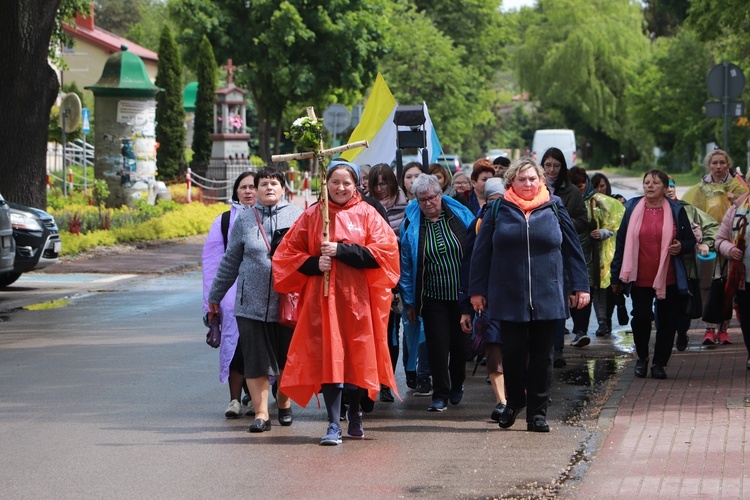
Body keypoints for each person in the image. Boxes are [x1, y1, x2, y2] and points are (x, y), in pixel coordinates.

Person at [273, 161, 400, 446]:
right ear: (326, 183)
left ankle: (354, 413)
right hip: (323, 300)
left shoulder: (368, 213)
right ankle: (333, 423)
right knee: (330, 357)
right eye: (335, 182)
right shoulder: (313, 214)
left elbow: (385, 253)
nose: (341, 188)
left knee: (356, 356)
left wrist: (342, 250)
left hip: (357, 300)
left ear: (356, 185)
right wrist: (314, 263)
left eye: (347, 183)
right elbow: (286, 254)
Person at [469, 158, 590, 432]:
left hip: (548, 295)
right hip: (508, 295)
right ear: (511, 182)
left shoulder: (555, 207)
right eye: (522, 179)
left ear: (541, 181)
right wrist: (476, 291)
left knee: (542, 356)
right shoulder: (498, 208)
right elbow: (481, 253)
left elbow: (573, 249)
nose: (528, 184)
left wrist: (580, 286)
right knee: (511, 353)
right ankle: (513, 402)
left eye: (532, 179)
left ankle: (537, 413)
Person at [208, 167, 303, 433]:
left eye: (274, 183)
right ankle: (261, 413)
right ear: (257, 190)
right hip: (250, 304)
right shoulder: (245, 220)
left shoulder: (298, 217)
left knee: (286, 361)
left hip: (289, 303)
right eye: (263, 184)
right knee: (256, 360)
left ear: (283, 188)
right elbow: (230, 261)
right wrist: (214, 296)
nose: (268, 188)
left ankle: (283, 402)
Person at [400, 174, 476, 412]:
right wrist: (410, 302)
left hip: (462, 297)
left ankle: (457, 384)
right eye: (421, 200)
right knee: (437, 346)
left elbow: (476, 253)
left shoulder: (461, 216)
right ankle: (440, 393)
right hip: (432, 298)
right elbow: (406, 266)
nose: (427, 203)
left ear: (440, 194)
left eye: (431, 197)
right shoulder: (412, 225)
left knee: (461, 346)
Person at [611, 170, 696, 380]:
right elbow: (620, 243)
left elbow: (690, 241)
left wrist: (680, 246)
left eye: (655, 183)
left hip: (669, 278)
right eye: (646, 182)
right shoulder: (631, 208)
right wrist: (616, 276)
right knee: (640, 319)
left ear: (666, 189)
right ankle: (642, 358)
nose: (650, 186)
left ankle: (659, 363)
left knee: (667, 323)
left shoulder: (677, 210)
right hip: (639, 277)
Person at [202, 172, 256, 418]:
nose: (248, 191)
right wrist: (210, 305)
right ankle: (234, 400)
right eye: (243, 187)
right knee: (235, 347)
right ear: (235, 191)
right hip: (231, 298)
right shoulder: (223, 222)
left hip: (263, 295)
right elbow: (212, 265)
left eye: (253, 186)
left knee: (261, 349)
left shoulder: (274, 218)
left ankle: (259, 399)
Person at [682, 149, 748, 345]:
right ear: (708, 166)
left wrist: (732, 200)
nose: (719, 167)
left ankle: (725, 329)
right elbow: (691, 214)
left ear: (728, 164)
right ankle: (709, 329)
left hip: (733, 243)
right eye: (715, 163)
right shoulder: (699, 190)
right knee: (709, 286)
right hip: (709, 245)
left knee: (729, 287)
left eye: (722, 163)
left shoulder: (738, 187)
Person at [460, 177, 508, 421]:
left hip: (515, 297)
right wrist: (466, 306)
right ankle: (501, 401)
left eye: (501, 199)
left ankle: (518, 395)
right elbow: (469, 265)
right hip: (488, 299)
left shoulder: (521, 219)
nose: (496, 206)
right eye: (492, 200)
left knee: (518, 348)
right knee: (492, 346)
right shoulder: (477, 224)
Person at [541, 147, 589, 361]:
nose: (551, 170)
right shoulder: (534, 187)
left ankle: (557, 348)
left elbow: (582, 220)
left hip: (561, 251)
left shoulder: (571, 191)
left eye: (556, 165)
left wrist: (563, 223)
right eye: (548, 165)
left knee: (558, 299)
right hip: (538, 251)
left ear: (562, 168)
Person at [367, 163, 409, 402]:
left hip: (401, 277)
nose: (381, 188)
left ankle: (386, 381)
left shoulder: (408, 207)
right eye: (376, 184)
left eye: (384, 183)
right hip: (375, 278)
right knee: (376, 332)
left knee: (392, 333)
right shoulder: (365, 206)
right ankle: (375, 380)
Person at [568, 167, 625, 338]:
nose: (580, 189)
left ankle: (591, 326)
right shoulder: (567, 201)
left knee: (595, 292)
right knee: (575, 293)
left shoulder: (599, 202)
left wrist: (604, 233)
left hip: (597, 256)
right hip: (574, 254)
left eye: (581, 185)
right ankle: (580, 328)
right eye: (576, 186)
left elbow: (616, 222)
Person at [666, 177, 718, 351]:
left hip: (685, 266)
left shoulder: (687, 209)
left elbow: (712, 227)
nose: (670, 189)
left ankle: (681, 332)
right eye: (666, 186)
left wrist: (706, 244)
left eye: (672, 186)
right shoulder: (648, 210)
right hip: (660, 267)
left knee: (684, 302)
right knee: (661, 304)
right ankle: (665, 338)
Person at [715, 190, 750, 370]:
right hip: (743, 277)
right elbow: (719, 240)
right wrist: (730, 249)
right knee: (747, 318)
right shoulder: (737, 209)